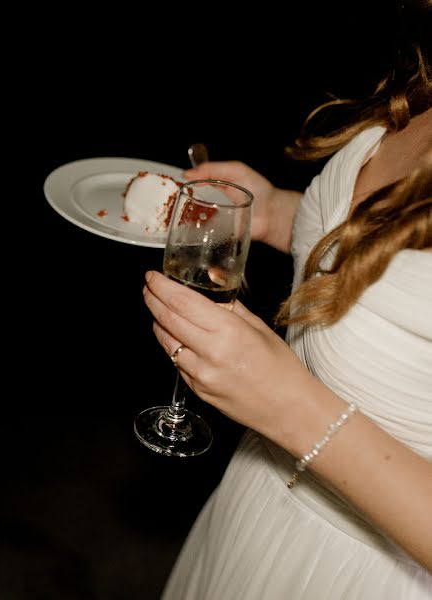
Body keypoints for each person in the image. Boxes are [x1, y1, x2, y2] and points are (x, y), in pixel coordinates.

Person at [142, 4, 432, 598]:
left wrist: (290, 406)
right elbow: (387, 259)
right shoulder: (424, 82)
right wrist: (275, 211)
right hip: (260, 500)